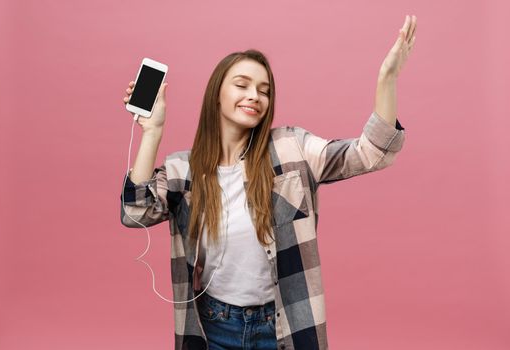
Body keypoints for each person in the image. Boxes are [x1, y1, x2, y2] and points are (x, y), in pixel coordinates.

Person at [120, 15, 417, 350]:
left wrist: (387, 79)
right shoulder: (182, 170)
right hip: (212, 327)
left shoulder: (292, 148)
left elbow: (373, 153)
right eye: (242, 85)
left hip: (282, 327)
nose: (255, 96)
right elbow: (135, 212)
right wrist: (152, 132)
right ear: (216, 92)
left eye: (264, 91)